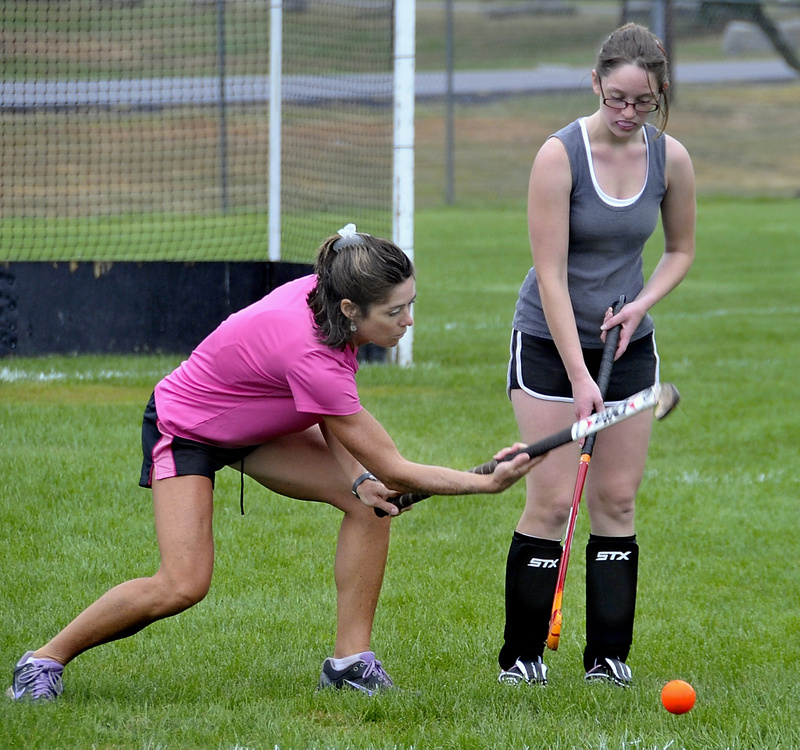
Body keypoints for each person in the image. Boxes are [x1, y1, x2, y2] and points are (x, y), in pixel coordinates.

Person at [7, 224, 537, 703]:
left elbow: (335, 417)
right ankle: (42, 661)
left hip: (258, 426)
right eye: (395, 312)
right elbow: (394, 467)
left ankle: (350, 663)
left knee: (370, 504)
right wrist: (480, 484)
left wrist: (357, 478)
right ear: (352, 308)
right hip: (187, 427)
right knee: (183, 583)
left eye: (409, 304)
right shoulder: (311, 349)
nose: (408, 320)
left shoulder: (327, 295)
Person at [498, 23, 695, 687]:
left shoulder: (671, 159)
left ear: (659, 96)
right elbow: (550, 274)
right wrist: (581, 376)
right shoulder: (559, 156)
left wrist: (642, 305)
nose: (627, 113)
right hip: (550, 346)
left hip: (627, 348)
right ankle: (521, 658)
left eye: (642, 103)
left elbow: (679, 250)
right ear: (595, 84)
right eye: (616, 98)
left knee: (616, 499)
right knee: (552, 502)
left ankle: (607, 658)